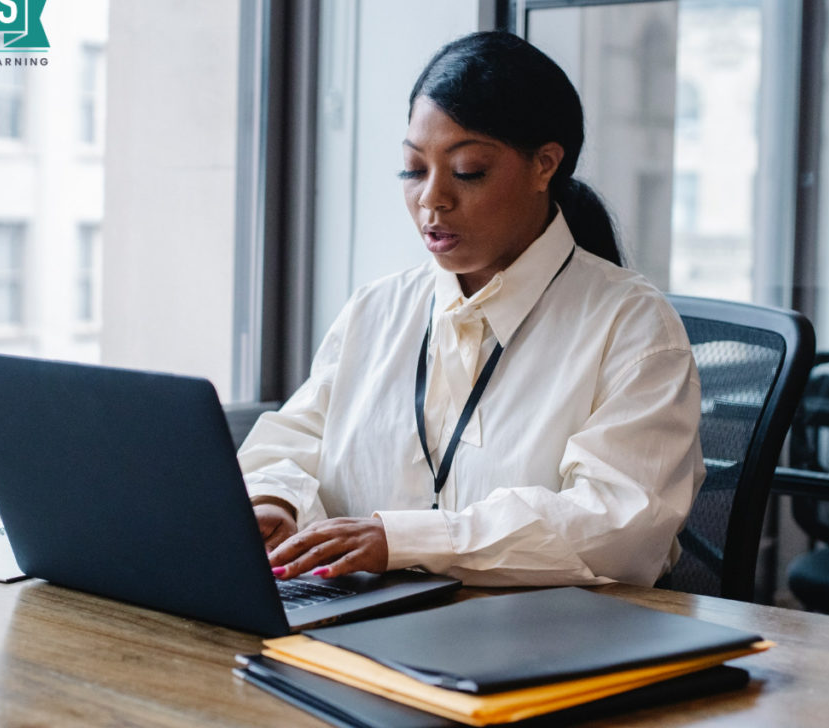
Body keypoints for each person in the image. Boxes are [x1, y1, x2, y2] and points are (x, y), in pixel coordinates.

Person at [239, 31, 704, 588]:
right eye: (413, 170)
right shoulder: (376, 310)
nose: (432, 198)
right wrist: (274, 502)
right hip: (363, 623)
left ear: (544, 166)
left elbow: (620, 526)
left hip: (544, 643)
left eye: (467, 171)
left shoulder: (632, 326)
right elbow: (292, 441)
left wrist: (407, 540)